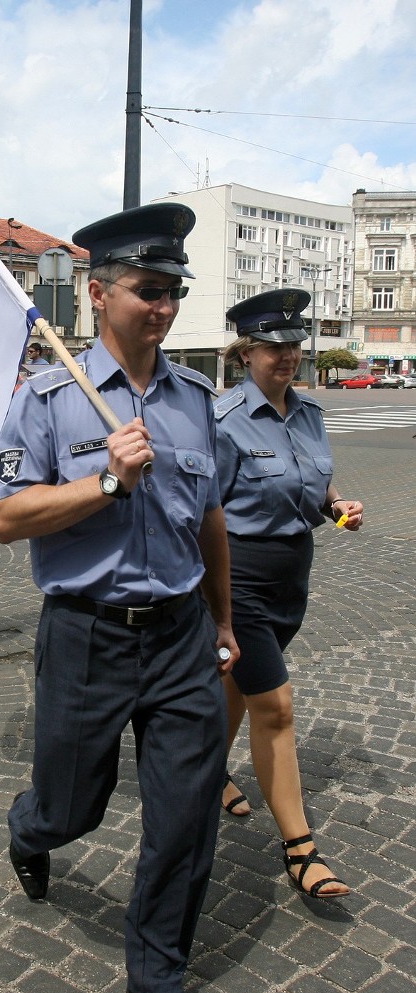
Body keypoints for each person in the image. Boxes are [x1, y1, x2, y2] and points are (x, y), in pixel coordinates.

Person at [0, 203, 235, 993]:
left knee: (186, 813)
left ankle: (155, 976)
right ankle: (31, 829)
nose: (162, 307)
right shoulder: (49, 396)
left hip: (177, 637)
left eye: (173, 291)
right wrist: (103, 484)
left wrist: (223, 621)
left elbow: (210, 523)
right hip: (85, 635)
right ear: (99, 294)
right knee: (73, 805)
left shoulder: (198, 401)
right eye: (147, 290)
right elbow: (6, 518)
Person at [215, 289, 363, 899]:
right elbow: (204, 512)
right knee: (274, 704)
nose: (287, 356)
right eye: (274, 346)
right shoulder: (222, 422)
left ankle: (208, 770)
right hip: (240, 579)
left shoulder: (309, 415)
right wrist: (213, 603)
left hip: (290, 579)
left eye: (294, 345)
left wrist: (335, 507)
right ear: (247, 352)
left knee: (235, 686)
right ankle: (301, 851)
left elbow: (312, 484)